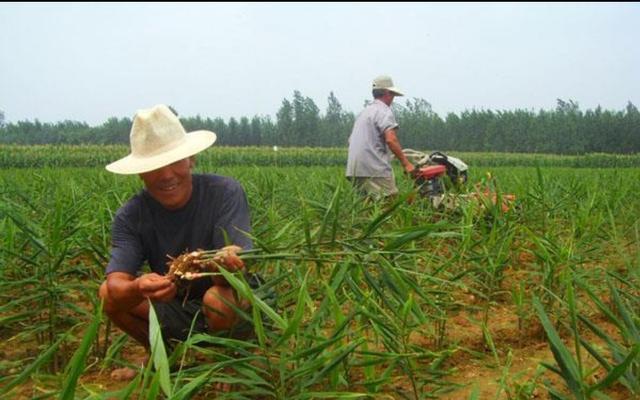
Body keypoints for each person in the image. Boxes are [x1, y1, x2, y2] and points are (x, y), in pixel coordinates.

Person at [98, 104, 258, 377]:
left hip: (231, 298)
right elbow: (115, 284)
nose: (166, 175)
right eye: (154, 167)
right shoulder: (131, 216)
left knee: (218, 299)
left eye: (175, 161)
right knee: (107, 295)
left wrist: (224, 263)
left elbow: (240, 270)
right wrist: (139, 287)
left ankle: (230, 361)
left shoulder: (224, 192)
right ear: (140, 172)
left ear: (191, 159)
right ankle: (161, 355)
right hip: (178, 304)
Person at [346, 75, 415, 197]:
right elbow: (391, 139)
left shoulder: (364, 113)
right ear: (387, 93)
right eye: (393, 94)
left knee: (367, 208)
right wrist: (407, 164)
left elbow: (350, 141)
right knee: (390, 204)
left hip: (354, 170)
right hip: (374, 170)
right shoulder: (384, 111)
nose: (393, 98)